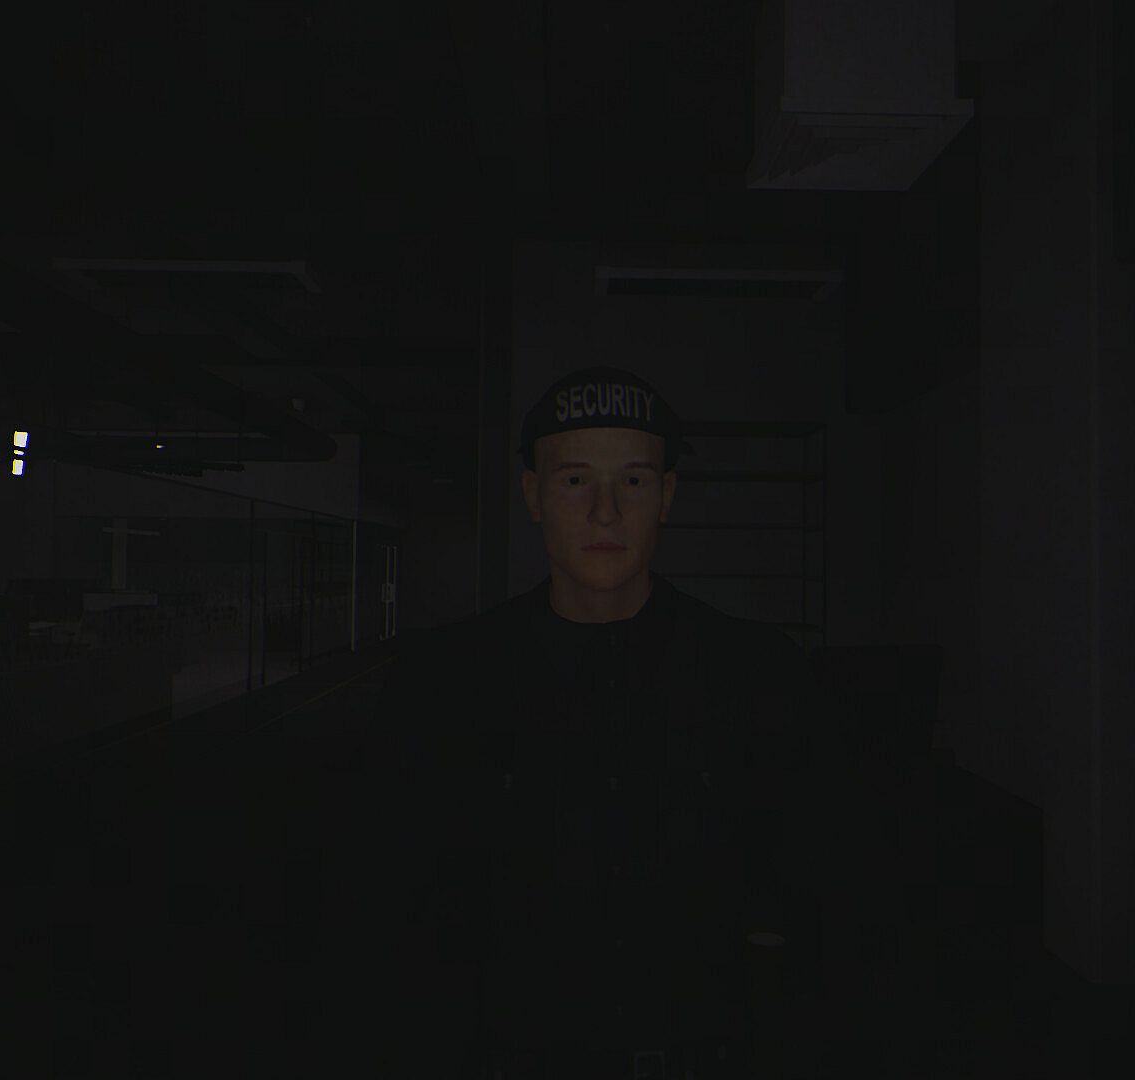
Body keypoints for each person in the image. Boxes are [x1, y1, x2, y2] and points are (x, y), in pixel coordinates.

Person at [320, 367, 904, 1079]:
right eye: (575, 480)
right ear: (533, 495)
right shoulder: (447, 682)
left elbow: (839, 901)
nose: (605, 513)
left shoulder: (759, 675)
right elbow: (379, 912)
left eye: (632, 480)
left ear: (666, 496)